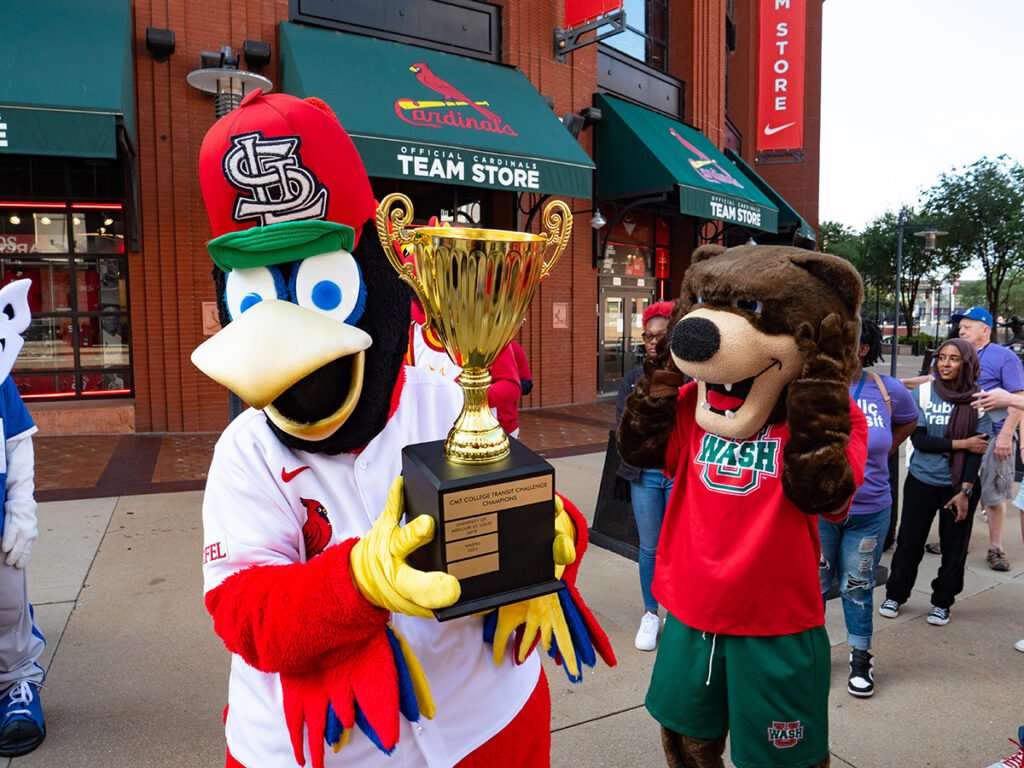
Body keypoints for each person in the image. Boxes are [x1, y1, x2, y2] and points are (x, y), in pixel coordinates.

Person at [819, 319, 916, 697]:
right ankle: (810, 653)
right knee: (815, 584)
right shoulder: (817, 390)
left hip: (870, 511)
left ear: (863, 348)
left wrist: (877, 453)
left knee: (857, 586)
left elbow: (907, 423)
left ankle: (861, 658)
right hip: (822, 511)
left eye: (846, 343)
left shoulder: (887, 390)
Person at [879, 338, 991, 626]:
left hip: (960, 486)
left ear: (966, 363)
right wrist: (962, 442)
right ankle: (896, 594)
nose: (945, 364)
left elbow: (978, 451)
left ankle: (942, 602)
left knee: (955, 547)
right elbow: (921, 440)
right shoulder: (925, 393)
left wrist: (965, 490)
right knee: (909, 541)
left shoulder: (980, 399)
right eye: (942, 357)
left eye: (954, 359)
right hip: (922, 480)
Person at [0, 279, 45, 757]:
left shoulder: (1, 376)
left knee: (8, 609)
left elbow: (18, 444)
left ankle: (18, 686)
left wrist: (22, 512)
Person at [615, 300, 676, 651]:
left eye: (661, 336)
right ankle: (651, 613)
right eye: (648, 337)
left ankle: (680, 614)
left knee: (681, 546)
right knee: (650, 548)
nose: (653, 343)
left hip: (679, 474)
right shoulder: (631, 379)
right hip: (646, 476)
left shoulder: (693, 377)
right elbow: (629, 431)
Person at [952, 307, 1024, 572]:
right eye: (960, 326)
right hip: (962, 433)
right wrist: (900, 386)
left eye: (967, 326)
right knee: (957, 487)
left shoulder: (1004, 356)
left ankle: (996, 547)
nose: (961, 330)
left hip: (996, 433)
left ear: (986, 329)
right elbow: (934, 382)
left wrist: (1006, 436)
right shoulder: (956, 354)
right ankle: (954, 539)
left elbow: (1018, 398)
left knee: (993, 493)